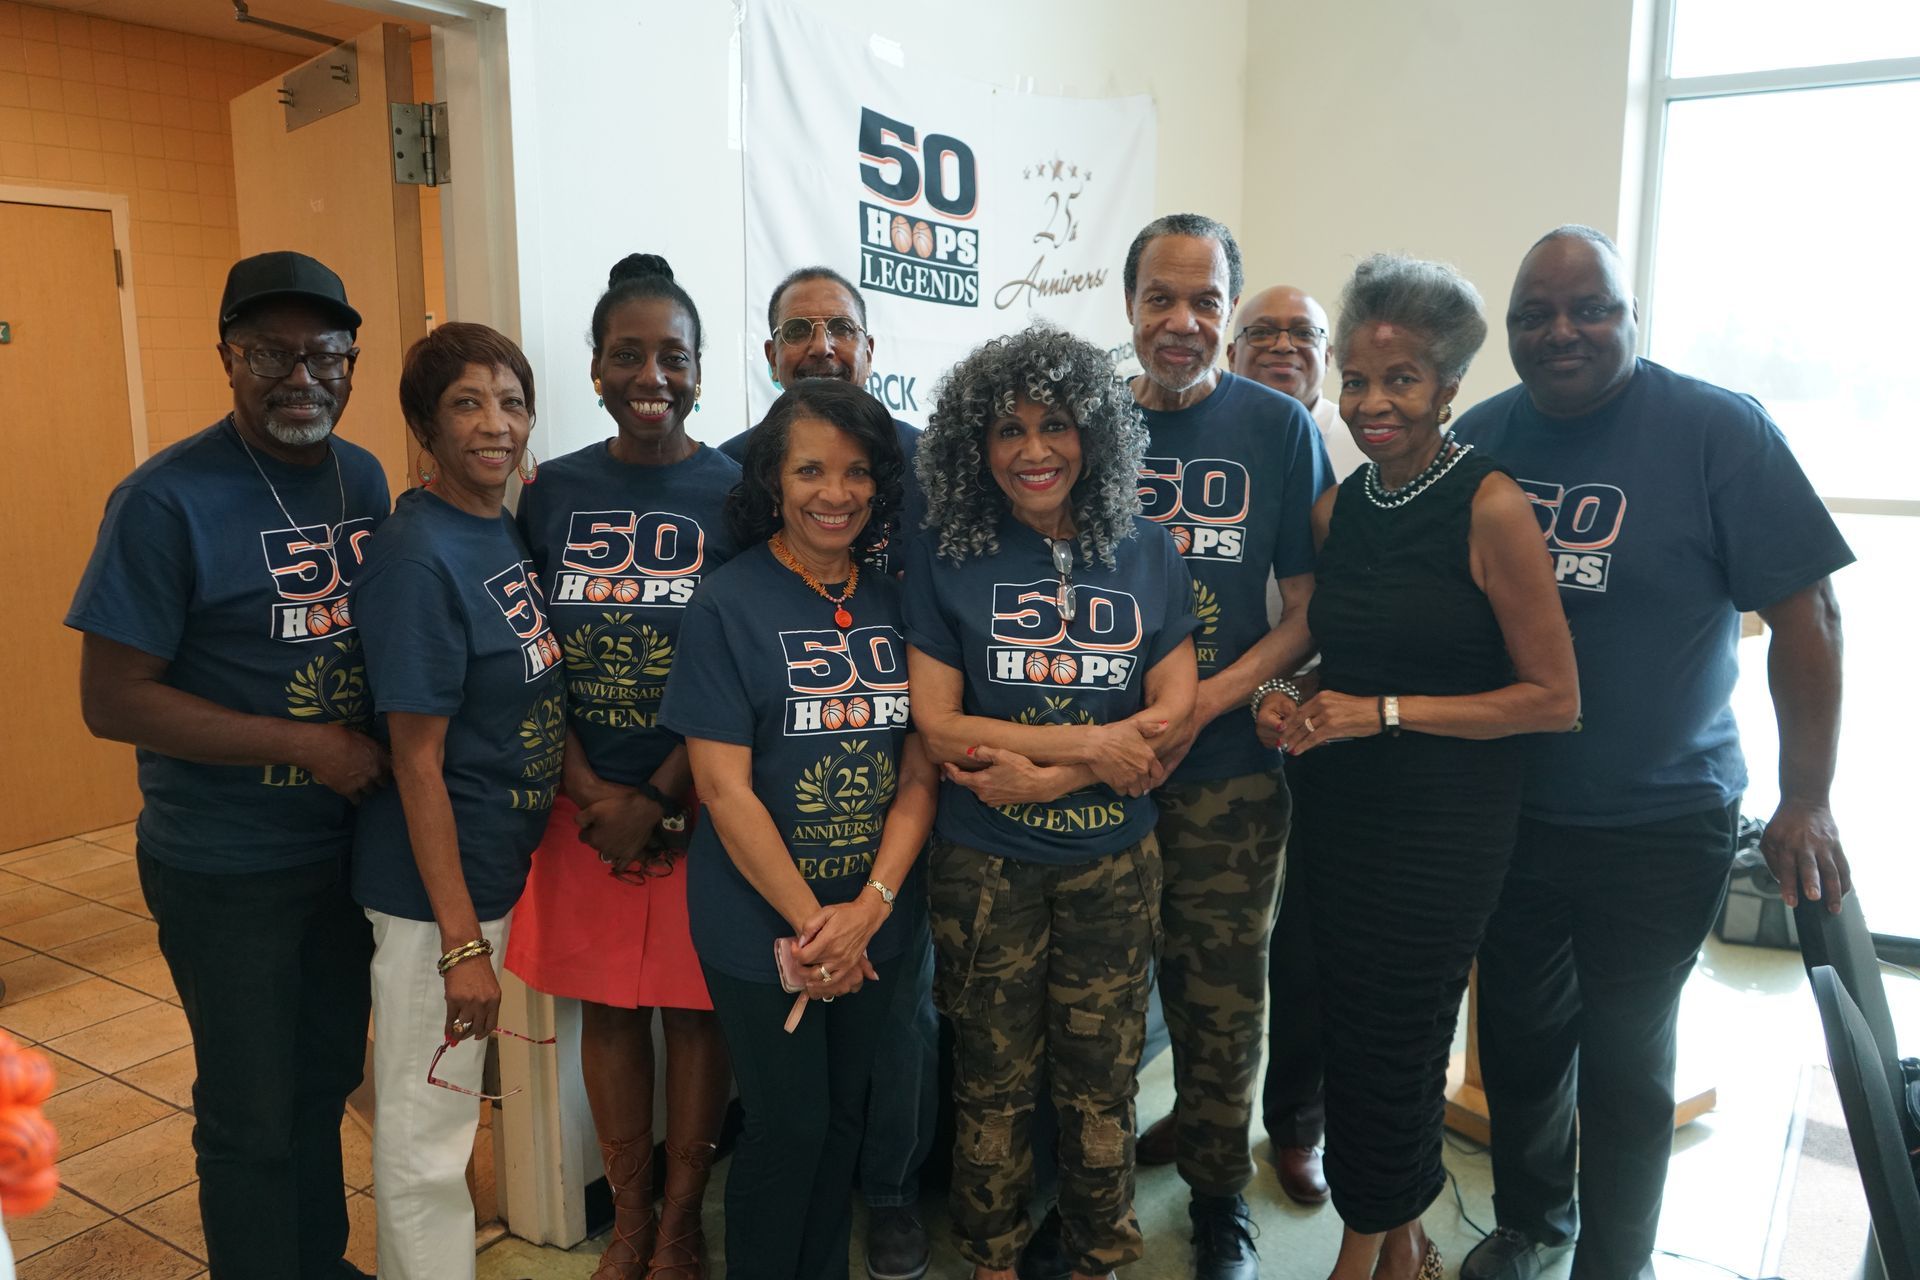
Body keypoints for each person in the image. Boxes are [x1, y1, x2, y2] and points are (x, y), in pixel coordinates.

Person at [1452, 226, 1853, 1280]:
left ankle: (1615, 1260)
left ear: (1635, 316)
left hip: (1659, 817)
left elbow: (1808, 612)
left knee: (1627, 1060)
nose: (1563, 331)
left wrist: (1805, 795)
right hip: (1511, 811)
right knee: (1521, 1044)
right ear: (1510, 331)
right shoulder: (1481, 438)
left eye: (1590, 308)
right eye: (1534, 314)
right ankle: (1535, 1221)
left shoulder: (1717, 431)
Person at [1257, 253, 1578, 1280]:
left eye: (1399, 380)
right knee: (1354, 1033)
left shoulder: (1491, 506)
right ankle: (1403, 1245)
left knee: (1399, 1036)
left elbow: (1552, 697)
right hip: (1341, 811)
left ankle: (1361, 1252)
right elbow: (1341, 658)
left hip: (1444, 824)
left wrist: (1382, 711)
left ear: (1448, 387)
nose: (1371, 401)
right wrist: (1295, 695)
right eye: (1355, 380)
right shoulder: (1344, 509)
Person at [67, 251, 387, 1280]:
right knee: (250, 1110)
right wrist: (308, 744)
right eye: (269, 353)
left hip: (344, 848)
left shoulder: (364, 474)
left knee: (325, 1076)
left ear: (350, 360)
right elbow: (112, 698)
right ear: (227, 359)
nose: (300, 374)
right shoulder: (164, 501)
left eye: (323, 352)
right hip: (225, 861)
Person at [903, 324, 1199, 1280]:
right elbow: (941, 729)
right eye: (1007, 431)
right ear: (971, 448)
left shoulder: (1147, 550)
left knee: (1102, 1083)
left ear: (1097, 434)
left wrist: (1056, 775)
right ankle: (990, 1259)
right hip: (985, 866)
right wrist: (1089, 747)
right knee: (989, 1080)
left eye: (1057, 425)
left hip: (1114, 866)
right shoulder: (951, 555)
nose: (1034, 450)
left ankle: (1096, 1256)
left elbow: (1175, 704)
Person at [659, 378, 937, 1280]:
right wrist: (818, 924)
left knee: (848, 1116)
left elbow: (919, 770)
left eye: (858, 472)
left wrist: (870, 909)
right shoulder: (726, 604)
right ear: (773, 480)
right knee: (790, 1126)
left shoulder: (899, 600)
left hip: (878, 916)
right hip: (758, 924)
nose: (836, 492)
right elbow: (723, 790)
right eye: (811, 469)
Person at [503, 254, 736, 1280]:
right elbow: (522, 647)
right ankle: (630, 1216)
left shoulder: (737, 492)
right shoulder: (550, 491)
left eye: (672, 355)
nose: (652, 373)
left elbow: (747, 662)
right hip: (582, 802)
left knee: (694, 1009)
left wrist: (664, 792)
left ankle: (683, 1221)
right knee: (610, 1007)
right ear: (595, 372)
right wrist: (595, 791)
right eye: (627, 354)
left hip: (702, 796)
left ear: (700, 369)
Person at [1121, 214, 1331, 1280]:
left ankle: (1216, 1199)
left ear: (1229, 315)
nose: (1182, 321)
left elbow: (1306, 611)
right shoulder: (1084, 424)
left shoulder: (1277, 429)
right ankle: (1089, 1192)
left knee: (1219, 998)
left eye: (1206, 301)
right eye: (1162, 297)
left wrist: (1201, 703)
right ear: (1129, 306)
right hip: (1097, 776)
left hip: (1227, 776)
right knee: (1099, 999)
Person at [349, 323, 564, 1280]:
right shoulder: (416, 555)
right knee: (427, 1129)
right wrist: (461, 943)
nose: (497, 425)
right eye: (467, 404)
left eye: (512, 402)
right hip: (432, 900)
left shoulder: (494, 529)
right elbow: (417, 763)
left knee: (446, 1108)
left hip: (486, 874)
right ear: (424, 429)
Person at [1227, 283, 1365, 479]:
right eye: (1262, 332)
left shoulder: (1363, 445)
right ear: (1232, 357)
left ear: (1327, 357)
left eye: (1304, 334)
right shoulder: (1204, 436)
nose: (1283, 346)